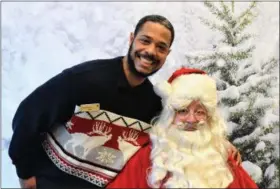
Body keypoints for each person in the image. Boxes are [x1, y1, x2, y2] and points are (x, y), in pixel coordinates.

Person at [9, 14, 239, 189]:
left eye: (161, 47)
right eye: (145, 41)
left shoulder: (155, 105)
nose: (150, 51)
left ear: (167, 54)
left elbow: (178, 133)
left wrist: (221, 146)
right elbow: (28, 117)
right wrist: (26, 173)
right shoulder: (82, 80)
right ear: (131, 39)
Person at [107, 67, 258, 188]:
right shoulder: (151, 155)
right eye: (183, 111)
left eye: (200, 112)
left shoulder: (222, 156)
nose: (191, 120)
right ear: (170, 116)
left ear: (210, 118)